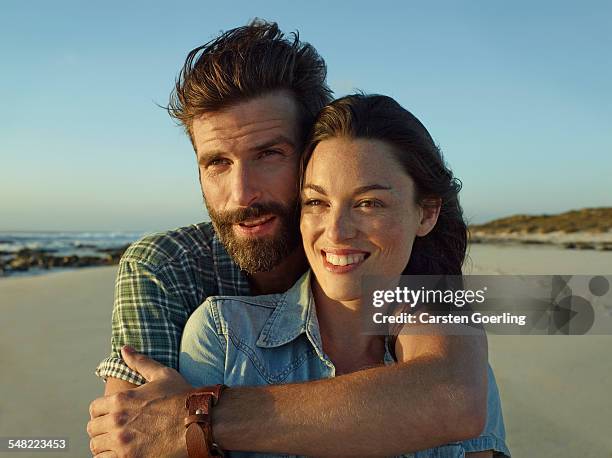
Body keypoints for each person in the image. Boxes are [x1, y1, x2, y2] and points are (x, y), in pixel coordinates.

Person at [88, 20, 497, 457]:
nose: (242, 194)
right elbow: (134, 436)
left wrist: (199, 416)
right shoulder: (171, 272)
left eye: (268, 154)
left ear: (314, 155)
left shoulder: (400, 260)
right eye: (217, 163)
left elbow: (456, 394)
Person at [179, 94, 510, 457]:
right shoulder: (225, 335)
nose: (336, 232)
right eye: (317, 202)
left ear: (427, 213)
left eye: (369, 203)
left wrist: (215, 419)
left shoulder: (458, 362)